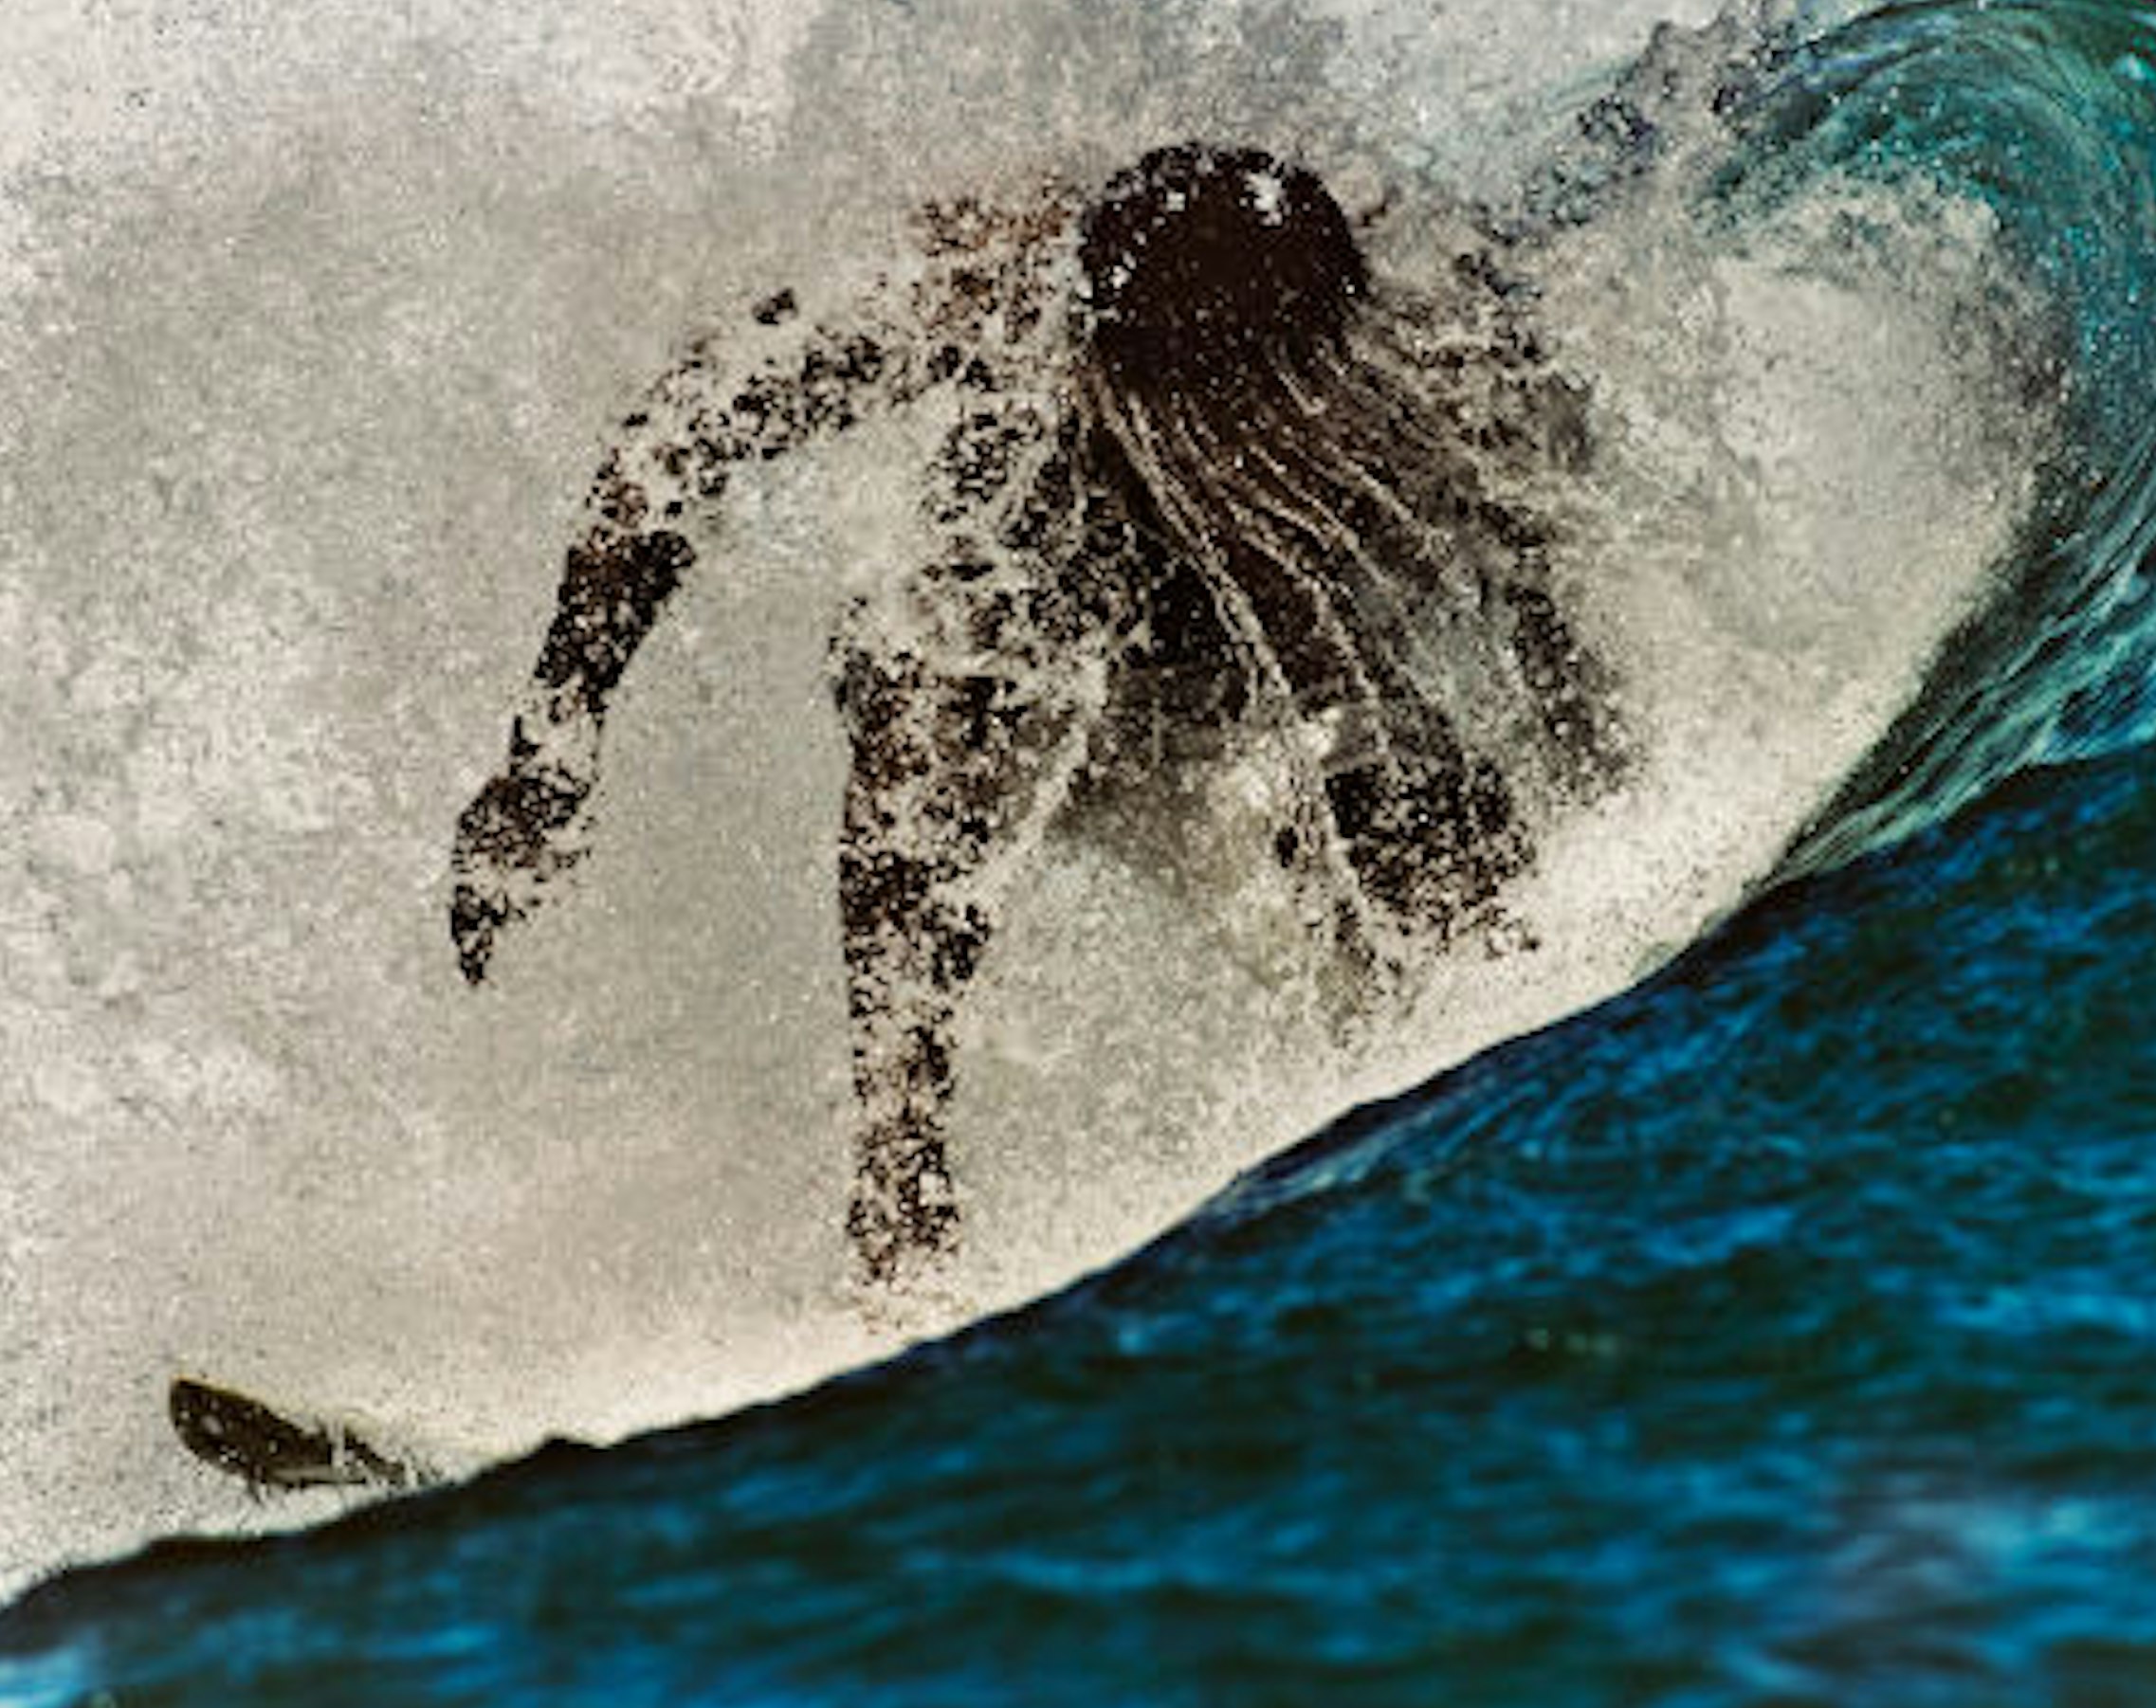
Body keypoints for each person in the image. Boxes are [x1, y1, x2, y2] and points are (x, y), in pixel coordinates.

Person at [449, 141, 1625, 1285]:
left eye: (1275, 408)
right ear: (1108, 369)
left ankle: (1467, 1204)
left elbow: (1537, 563)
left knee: (1453, 857)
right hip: (1067, 648)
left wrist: (1597, 745)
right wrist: (551, 749)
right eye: (1207, 420)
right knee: (939, 690)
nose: (1243, 448)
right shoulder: (994, 319)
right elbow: (678, 444)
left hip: (1290, 675)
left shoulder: (1427, 330)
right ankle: (902, 1214)